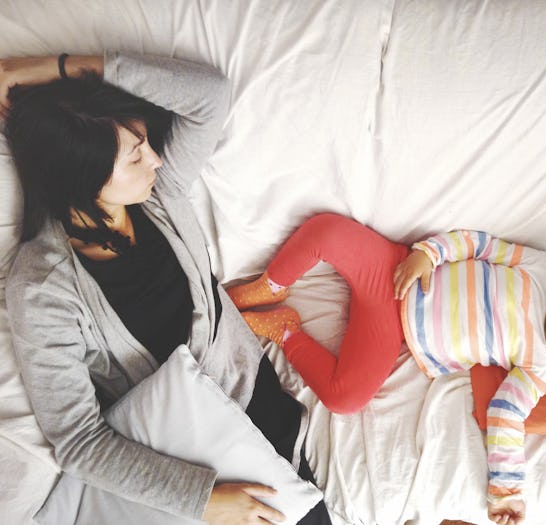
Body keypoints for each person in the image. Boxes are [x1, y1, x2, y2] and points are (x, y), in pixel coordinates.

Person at [1, 52, 331, 525]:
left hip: (257, 402)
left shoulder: (162, 196)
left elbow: (209, 94)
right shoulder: (43, 291)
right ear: (81, 177)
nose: (155, 157)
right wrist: (203, 500)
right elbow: (77, 439)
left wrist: (54, 69)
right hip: (189, 451)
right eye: (135, 154)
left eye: (147, 143)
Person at [227, 212, 546, 525]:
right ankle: (269, 285)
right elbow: (478, 244)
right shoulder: (543, 269)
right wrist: (429, 255)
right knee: (326, 229)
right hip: (393, 267)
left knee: (346, 398)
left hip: (390, 332)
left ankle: (285, 331)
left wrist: (507, 491)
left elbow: (508, 416)